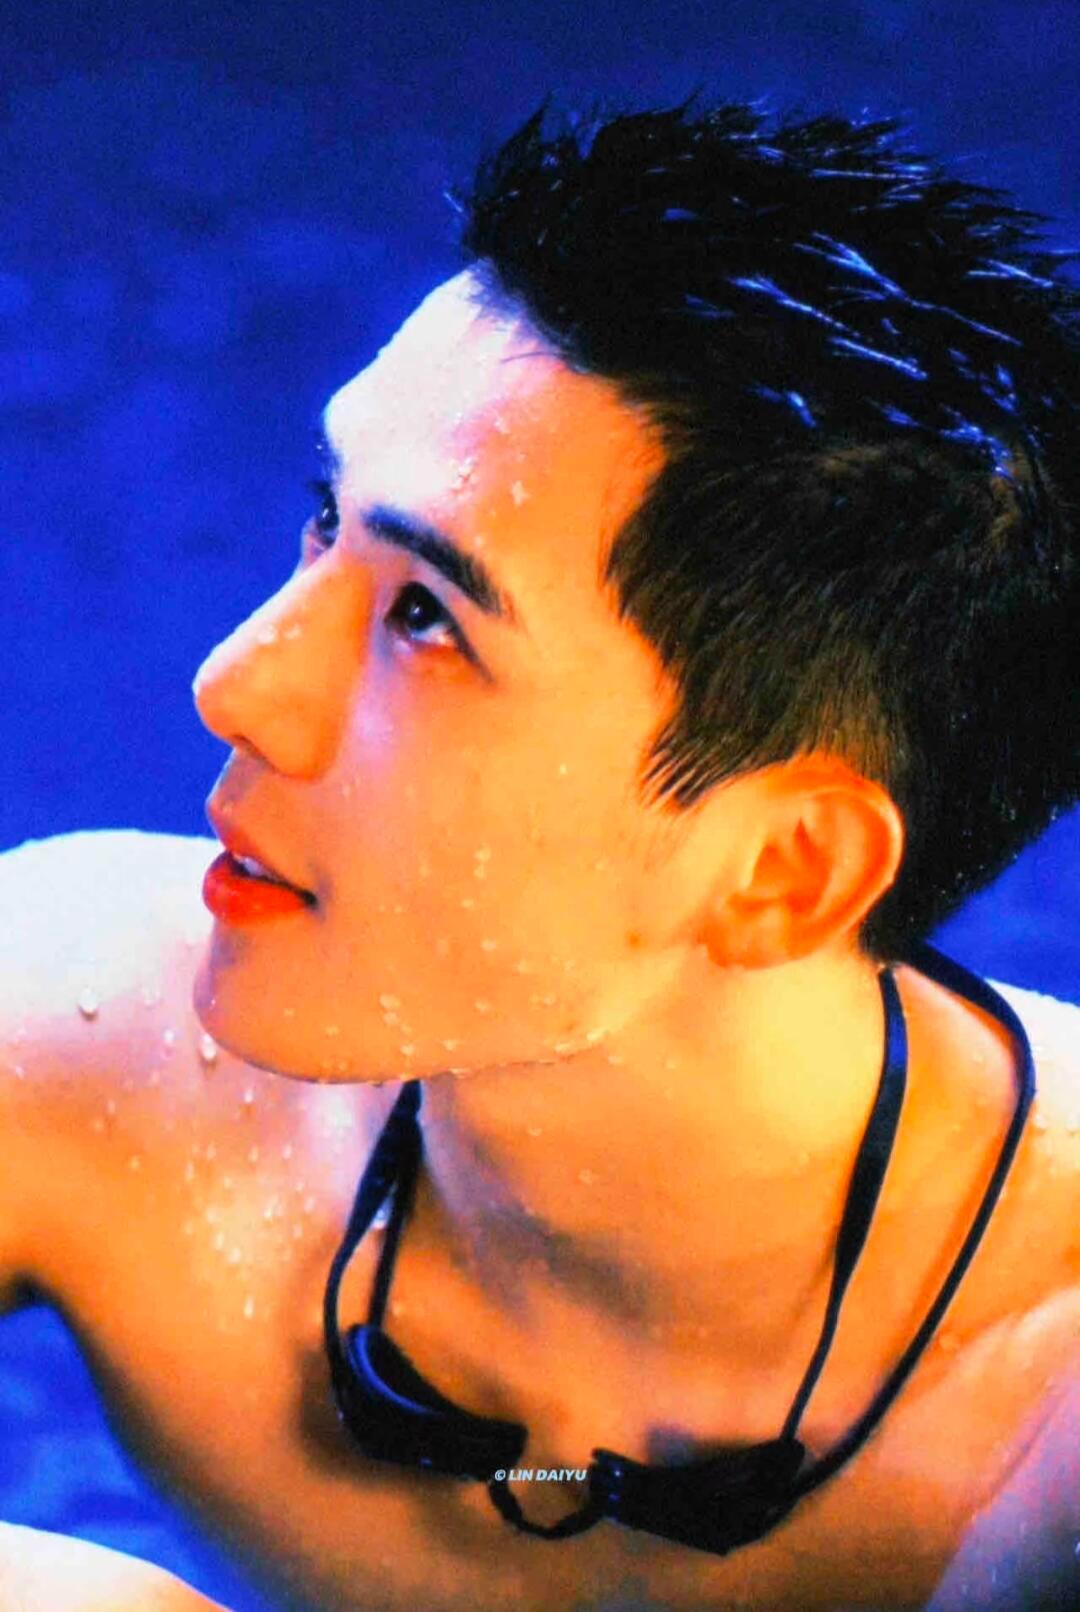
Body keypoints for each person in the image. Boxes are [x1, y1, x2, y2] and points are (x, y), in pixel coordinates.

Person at [1, 100, 1077, 1612]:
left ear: (782, 869)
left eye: (426, 616)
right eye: (324, 523)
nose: (237, 683)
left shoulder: (1045, 1417)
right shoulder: (82, 1044)